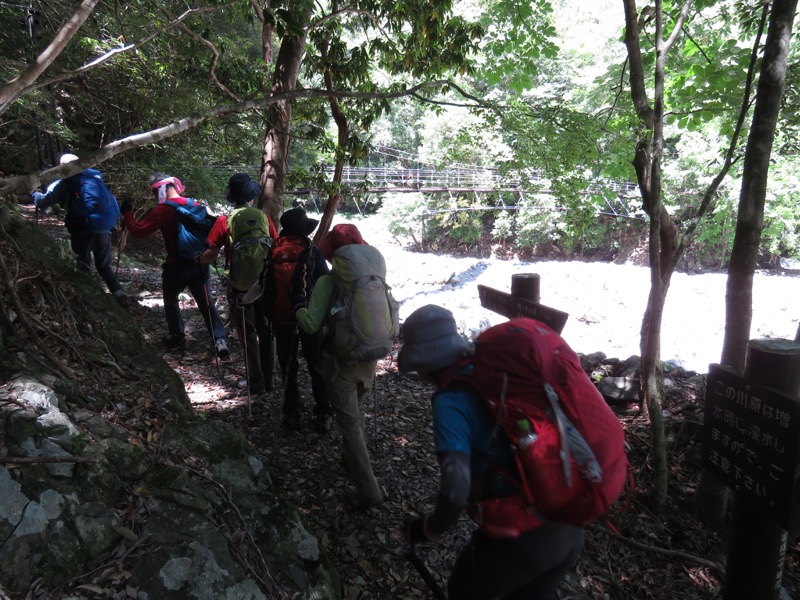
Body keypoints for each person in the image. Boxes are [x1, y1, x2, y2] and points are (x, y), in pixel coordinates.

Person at [397, 304, 585, 600]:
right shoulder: (499, 371)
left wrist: (429, 530)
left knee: (463, 591)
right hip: (569, 518)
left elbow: (456, 488)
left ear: (423, 365)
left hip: (523, 536)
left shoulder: (450, 401)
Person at [293, 223, 384, 508]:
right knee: (355, 415)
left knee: (351, 425)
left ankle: (369, 492)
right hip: (370, 358)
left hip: (341, 362)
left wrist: (298, 306)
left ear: (332, 253)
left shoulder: (327, 282)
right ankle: (350, 459)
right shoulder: (375, 275)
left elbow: (310, 325)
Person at [120, 173, 229, 358]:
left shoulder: (164, 210)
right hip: (200, 262)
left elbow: (139, 231)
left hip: (176, 265)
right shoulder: (193, 204)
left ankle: (177, 337)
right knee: (206, 303)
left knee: (171, 301)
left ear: (159, 190)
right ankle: (220, 339)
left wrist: (127, 213)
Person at [198, 173, 277, 394]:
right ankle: (270, 379)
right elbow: (275, 246)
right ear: (251, 197)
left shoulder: (225, 221)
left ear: (233, 198)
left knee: (248, 333)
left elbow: (211, 254)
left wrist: (198, 260)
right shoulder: (263, 218)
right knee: (267, 330)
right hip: (264, 284)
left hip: (239, 287)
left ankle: (256, 381)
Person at [263, 207, 332, 431]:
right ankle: (323, 413)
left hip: (281, 317)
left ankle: (292, 413)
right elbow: (325, 280)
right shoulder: (311, 251)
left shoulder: (274, 249)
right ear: (304, 231)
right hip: (309, 315)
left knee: (288, 364)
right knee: (316, 364)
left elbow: (264, 282)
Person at [31, 153, 126, 300]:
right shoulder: (97, 178)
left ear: (63, 167)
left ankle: (86, 298)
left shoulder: (67, 181)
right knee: (104, 265)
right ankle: (118, 292)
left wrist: (34, 194)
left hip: (84, 227)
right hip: (105, 227)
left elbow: (44, 201)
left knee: (83, 264)